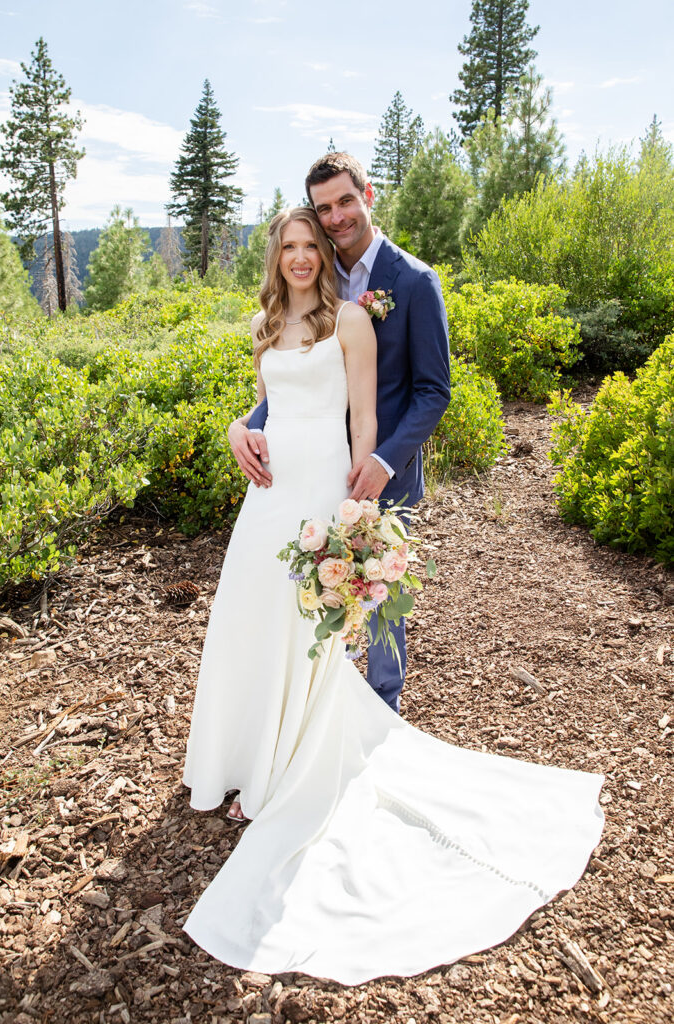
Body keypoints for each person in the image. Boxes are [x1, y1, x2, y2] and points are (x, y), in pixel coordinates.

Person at [182, 201, 604, 986]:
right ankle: (242, 757)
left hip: (321, 486)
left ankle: (288, 774)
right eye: (291, 246)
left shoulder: (350, 321)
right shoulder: (263, 324)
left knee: (308, 628)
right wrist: (240, 427)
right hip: (267, 496)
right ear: (275, 256)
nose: (302, 256)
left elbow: (368, 417)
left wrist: (356, 505)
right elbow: (269, 405)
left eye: (312, 245)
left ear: (325, 252)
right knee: (253, 622)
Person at [228, 153, 451, 715]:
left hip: (381, 470)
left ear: (368, 195)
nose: (336, 216)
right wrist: (243, 425)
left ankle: (381, 720)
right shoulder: (318, 279)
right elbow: (297, 383)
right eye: (324, 207)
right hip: (314, 468)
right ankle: (312, 722)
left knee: (377, 605)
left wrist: (383, 460)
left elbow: (433, 391)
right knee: (310, 601)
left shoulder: (415, 281)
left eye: (345, 201)